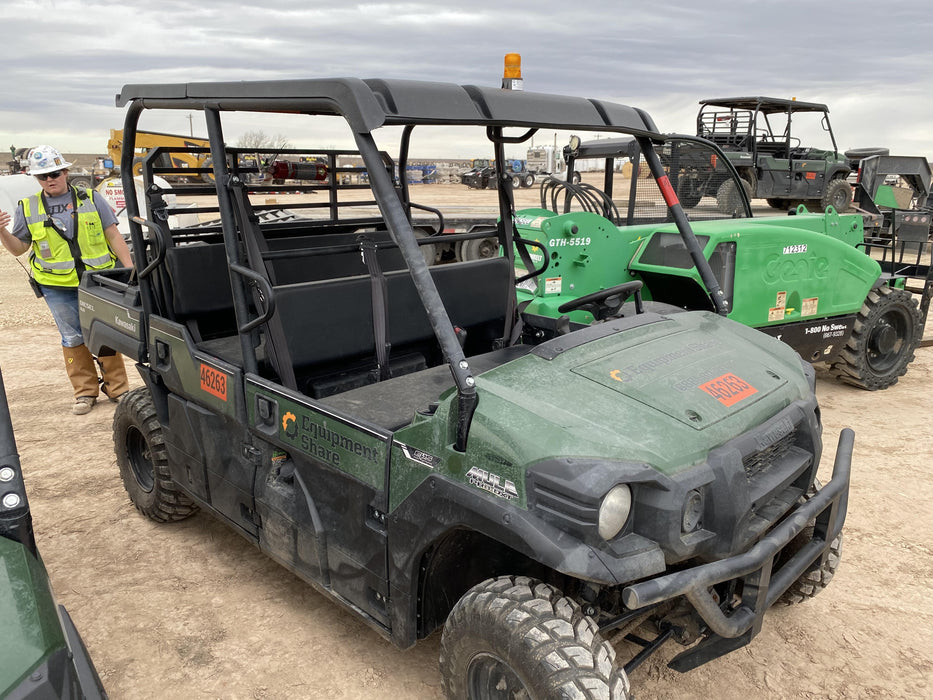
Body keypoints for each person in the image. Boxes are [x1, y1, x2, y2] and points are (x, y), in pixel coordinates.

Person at [0, 145, 134, 415]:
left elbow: (113, 235)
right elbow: (18, 249)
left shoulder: (91, 198)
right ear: (36, 178)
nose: (50, 179)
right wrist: (1, 231)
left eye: (55, 173)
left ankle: (118, 389)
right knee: (72, 337)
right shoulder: (28, 207)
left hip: (97, 281)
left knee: (105, 332)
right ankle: (85, 392)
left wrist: (131, 270)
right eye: (43, 176)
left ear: (65, 172)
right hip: (57, 286)